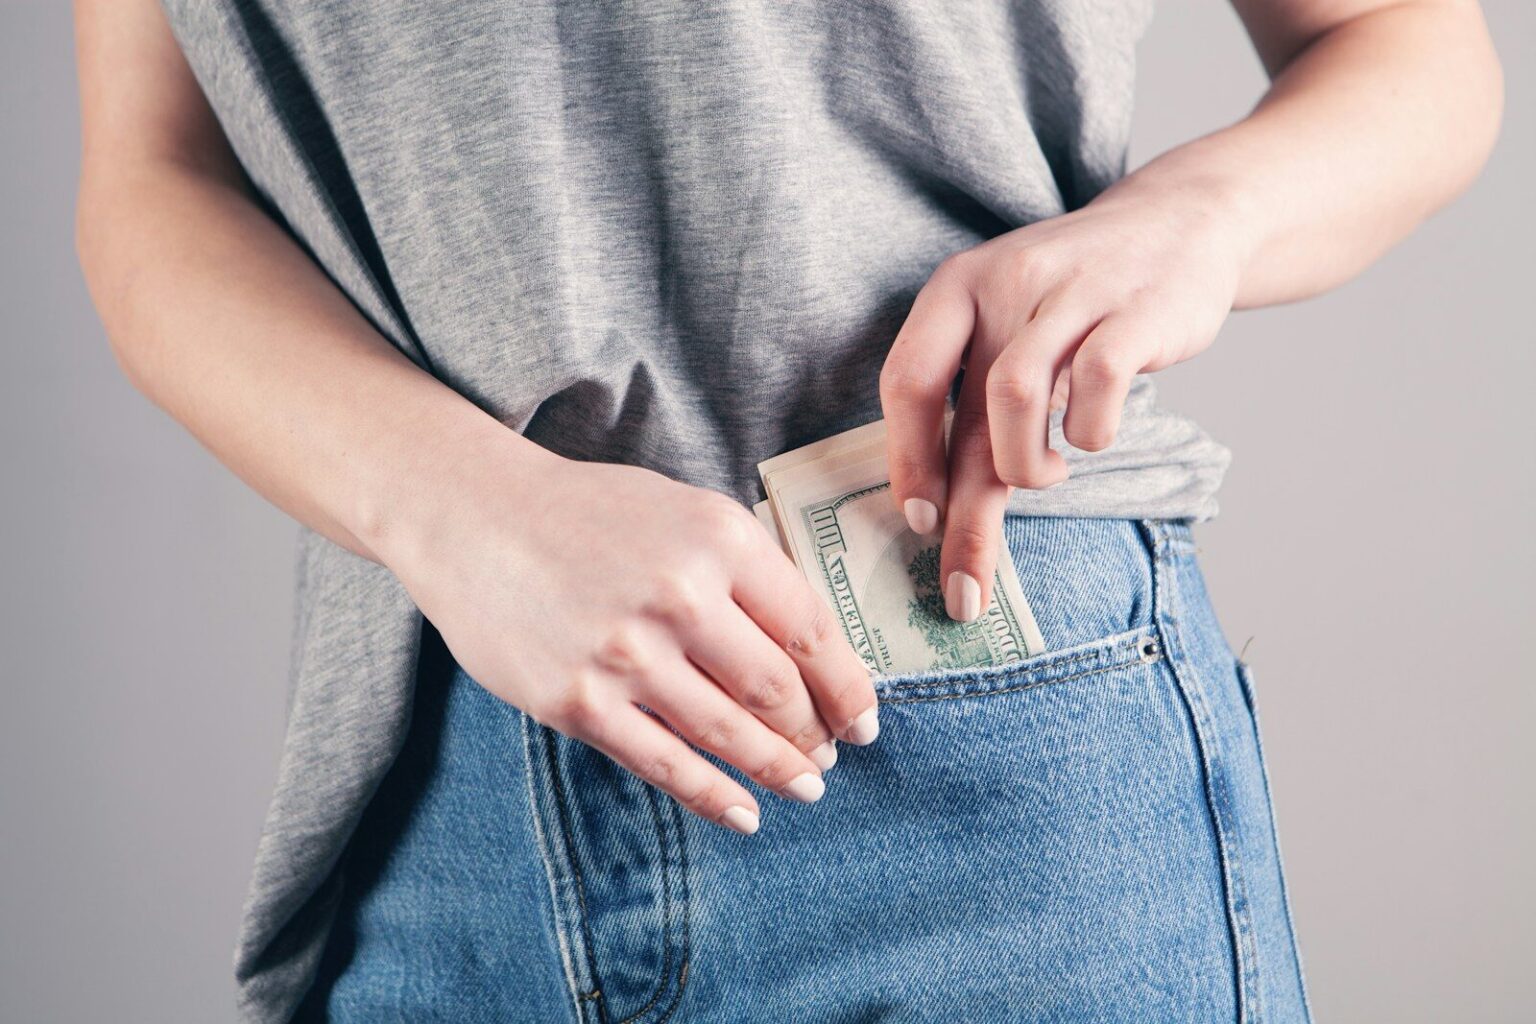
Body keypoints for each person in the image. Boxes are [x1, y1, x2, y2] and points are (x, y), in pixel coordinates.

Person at [73, 0, 1501, 1020]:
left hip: (991, 725)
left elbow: (1405, 41)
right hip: (448, 780)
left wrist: (1204, 216)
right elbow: (154, 180)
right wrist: (457, 510)